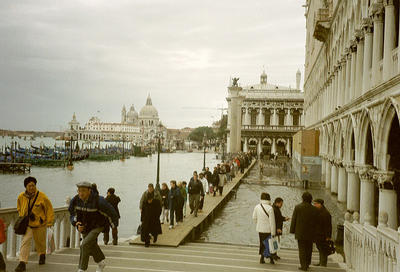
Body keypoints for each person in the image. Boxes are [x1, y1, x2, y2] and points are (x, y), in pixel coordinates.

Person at [69, 181, 119, 272]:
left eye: (83, 190)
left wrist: (114, 226)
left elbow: (112, 213)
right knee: (91, 245)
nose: (81, 193)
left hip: (98, 225)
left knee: (84, 244)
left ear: (89, 191)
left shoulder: (99, 201)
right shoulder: (76, 200)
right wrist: (76, 223)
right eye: (79, 191)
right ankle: (101, 262)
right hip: (86, 226)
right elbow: (72, 213)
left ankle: (81, 269)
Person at [14, 177, 54, 272]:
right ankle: (22, 262)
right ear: (26, 187)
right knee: (25, 241)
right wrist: (22, 215)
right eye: (29, 186)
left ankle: (42, 255)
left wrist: (49, 222)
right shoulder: (21, 196)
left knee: (40, 242)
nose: (31, 187)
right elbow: (19, 207)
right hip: (28, 224)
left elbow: (49, 209)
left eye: (33, 185)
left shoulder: (42, 196)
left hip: (40, 224)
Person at [290, 192, 318, 271]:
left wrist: (292, 230)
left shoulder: (298, 207)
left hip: (300, 233)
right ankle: (308, 263)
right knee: (309, 249)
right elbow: (317, 222)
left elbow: (294, 220)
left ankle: (303, 266)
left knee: (302, 250)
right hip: (311, 233)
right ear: (311, 199)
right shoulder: (314, 209)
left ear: (302, 198)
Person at [252, 192, 276, 265]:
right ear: (269, 199)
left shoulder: (257, 206)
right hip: (268, 229)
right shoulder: (270, 208)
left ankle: (262, 258)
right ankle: (271, 259)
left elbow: (254, 218)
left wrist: (258, 224)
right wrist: (273, 232)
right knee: (270, 244)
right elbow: (272, 221)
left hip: (260, 229)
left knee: (262, 244)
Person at [313, 199, 332, 267]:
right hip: (318, 234)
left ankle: (323, 263)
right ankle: (321, 262)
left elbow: (328, 226)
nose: (314, 205)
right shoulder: (319, 211)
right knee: (320, 248)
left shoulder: (326, 213)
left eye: (315, 204)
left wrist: (328, 236)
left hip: (323, 235)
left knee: (323, 249)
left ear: (320, 204)